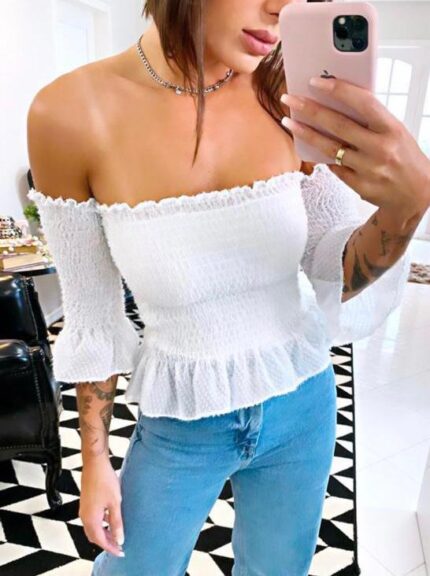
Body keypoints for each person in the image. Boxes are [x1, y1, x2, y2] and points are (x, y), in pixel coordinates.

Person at [26, 1, 429, 574]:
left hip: (302, 404)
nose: (280, 8)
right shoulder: (68, 114)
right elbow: (93, 318)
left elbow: (334, 268)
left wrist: (406, 208)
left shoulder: (287, 95)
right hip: (181, 420)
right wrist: (95, 463)